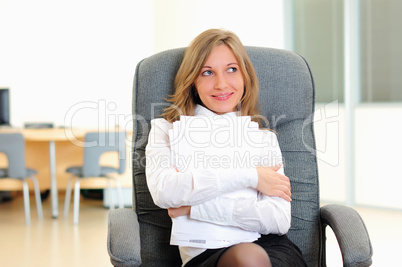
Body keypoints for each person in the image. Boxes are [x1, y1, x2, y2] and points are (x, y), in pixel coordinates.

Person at [145, 29, 307, 267]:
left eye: (232, 70)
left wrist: (195, 207)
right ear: (192, 82)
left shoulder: (263, 139)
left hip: (271, 248)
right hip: (207, 254)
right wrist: (250, 176)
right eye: (207, 72)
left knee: (252, 256)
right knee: (247, 258)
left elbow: (279, 220)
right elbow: (164, 193)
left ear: (245, 77)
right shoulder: (165, 130)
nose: (221, 84)